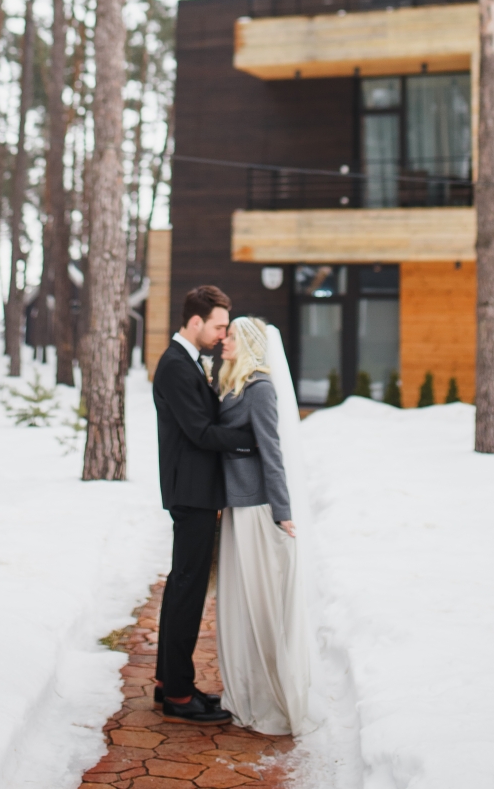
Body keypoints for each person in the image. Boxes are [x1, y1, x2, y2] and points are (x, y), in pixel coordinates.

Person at [152, 285, 255, 724]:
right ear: (195, 322)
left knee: (184, 586)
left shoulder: (188, 360)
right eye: (218, 326)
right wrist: (252, 439)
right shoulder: (176, 365)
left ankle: (169, 682)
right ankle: (178, 695)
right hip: (191, 492)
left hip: (193, 489)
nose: (222, 334)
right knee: (188, 590)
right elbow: (200, 432)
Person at [216, 316, 313, 736]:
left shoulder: (260, 389)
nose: (224, 341)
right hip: (235, 505)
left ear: (250, 344)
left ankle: (267, 695)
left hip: (255, 507)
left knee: (257, 602)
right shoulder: (233, 385)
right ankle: (242, 690)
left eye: (231, 336)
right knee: (237, 602)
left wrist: (282, 510)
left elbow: (273, 452)